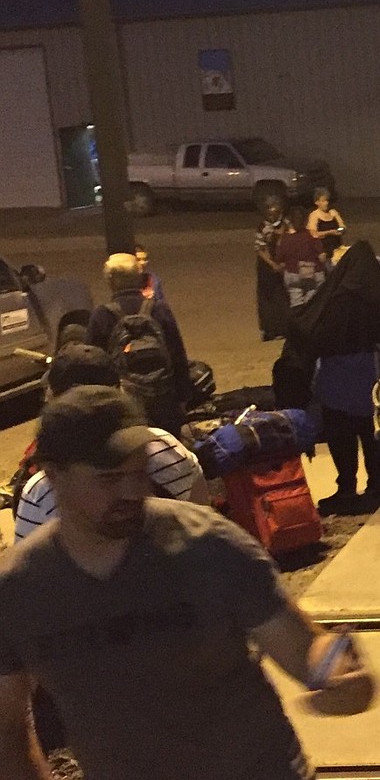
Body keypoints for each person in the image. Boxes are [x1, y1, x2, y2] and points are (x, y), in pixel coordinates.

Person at [0, 385, 380, 780]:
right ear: (53, 476)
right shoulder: (21, 593)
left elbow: (305, 646)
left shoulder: (205, 546)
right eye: (110, 478)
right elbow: (8, 737)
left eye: (138, 471)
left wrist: (339, 672)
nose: (134, 490)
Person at [14, 344, 209, 542]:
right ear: (119, 391)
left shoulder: (44, 489)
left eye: (138, 472)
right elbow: (203, 518)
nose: (135, 494)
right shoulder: (165, 444)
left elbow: (28, 567)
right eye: (109, 479)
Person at [287, 240, 380, 515]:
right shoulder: (379, 297)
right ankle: (377, 487)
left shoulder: (337, 298)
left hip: (337, 384)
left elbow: (313, 328)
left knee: (342, 440)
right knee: (373, 439)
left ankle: (346, 489)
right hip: (373, 383)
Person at [85, 252, 192, 437]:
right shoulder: (159, 309)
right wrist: (182, 398)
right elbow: (178, 355)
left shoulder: (102, 316)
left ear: (110, 281)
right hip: (163, 400)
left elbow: (92, 365)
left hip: (124, 406)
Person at [276, 204, 326, 310]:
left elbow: (279, 257)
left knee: (296, 303)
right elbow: (322, 256)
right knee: (311, 303)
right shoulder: (311, 235)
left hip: (293, 273)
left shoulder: (286, 239)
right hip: (312, 274)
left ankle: (297, 321)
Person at [254, 197, 290, 340]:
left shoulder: (286, 224)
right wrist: (272, 263)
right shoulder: (262, 227)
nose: (271, 213)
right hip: (266, 266)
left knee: (283, 298)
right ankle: (269, 330)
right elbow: (260, 249)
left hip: (283, 264)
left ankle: (284, 328)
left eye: (273, 209)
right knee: (267, 299)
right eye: (268, 209)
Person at [307, 187, 346, 259]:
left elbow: (342, 227)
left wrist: (340, 230)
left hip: (337, 249)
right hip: (323, 250)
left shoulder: (333, 212)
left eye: (327, 200)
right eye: (323, 201)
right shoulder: (314, 215)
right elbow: (313, 234)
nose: (326, 203)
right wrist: (329, 232)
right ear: (317, 202)